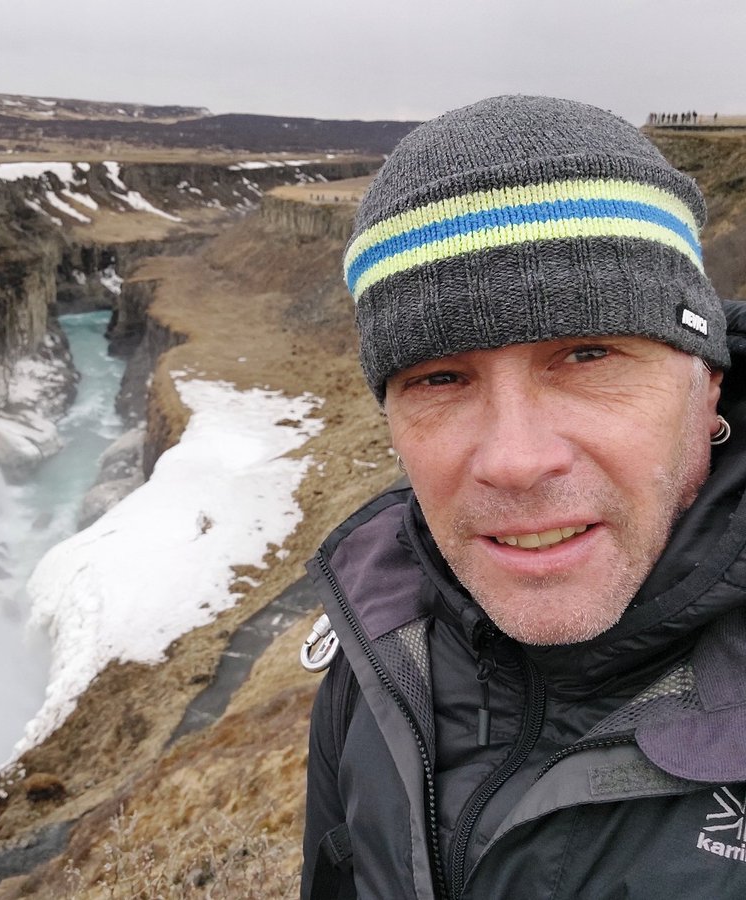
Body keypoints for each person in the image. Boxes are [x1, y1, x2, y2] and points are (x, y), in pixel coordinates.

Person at [300, 95, 746, 899]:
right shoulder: (374, 656)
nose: (515, 460)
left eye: (587, 354)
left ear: (706, 383)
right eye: (440, 377)